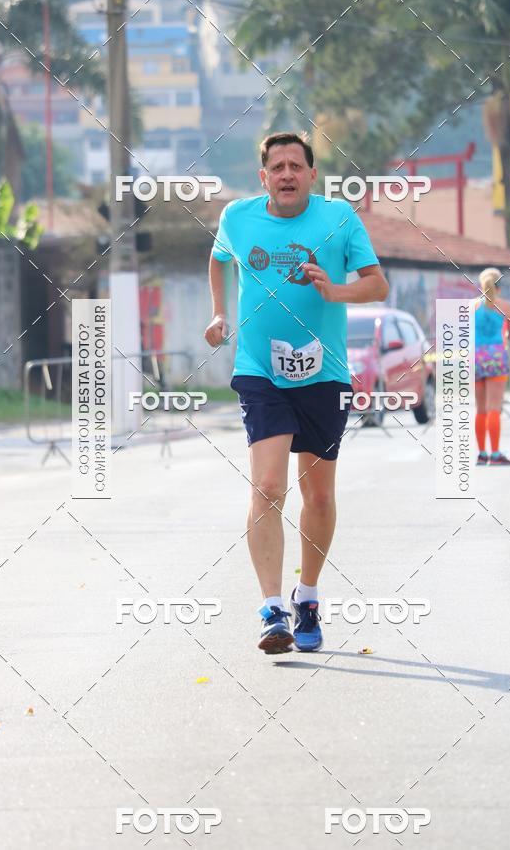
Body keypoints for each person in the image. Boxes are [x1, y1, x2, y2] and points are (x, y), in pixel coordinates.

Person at [204, 132, 388, 654]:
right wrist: (219, 311)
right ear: (263, 177)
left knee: (320, 495)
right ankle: (271, 611)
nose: (286, 174)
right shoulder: (238, 218)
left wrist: (335, 289)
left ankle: (306, 595)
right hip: (260, 371)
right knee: (266, 486)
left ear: (311, 174)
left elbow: (377, 284)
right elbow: (219, 258)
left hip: (324, 375)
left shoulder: (339, 219)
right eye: (276, 167)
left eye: (295, 166)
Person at [474, 267, 510, 465]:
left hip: (475, 357)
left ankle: (482, 454)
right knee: (494, 407)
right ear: (498, 286)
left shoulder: (471, 306)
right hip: (497, 356)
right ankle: (496, 453)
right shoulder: (507, 307)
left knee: (480, 408)